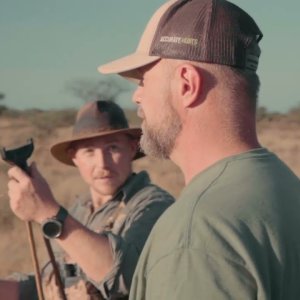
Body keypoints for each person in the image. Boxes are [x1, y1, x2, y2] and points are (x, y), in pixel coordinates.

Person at [98, 0, 300, 299]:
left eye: (143, 80)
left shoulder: (195, 235)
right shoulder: (280, 182)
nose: (137, 98)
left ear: (186, 84)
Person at [1, 100, 174, 299]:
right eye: (89, 151)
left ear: (132, 148)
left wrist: (48, 213)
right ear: (74, 157)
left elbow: (124, 279)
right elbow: (54, 280)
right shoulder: (78, 211)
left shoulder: (154, 205)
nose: (103, 164)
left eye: (113, 148)